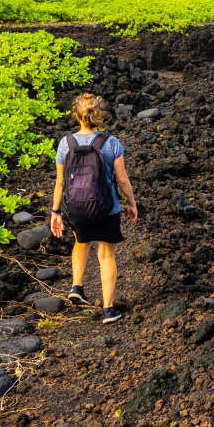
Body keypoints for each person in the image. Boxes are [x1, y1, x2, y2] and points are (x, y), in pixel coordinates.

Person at [50, 94, 137, 324]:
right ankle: (108, 310)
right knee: (106, 255)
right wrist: (132, 203)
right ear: (99, 116)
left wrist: (55, 212)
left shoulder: (65, 143)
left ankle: (77, 286)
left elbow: (60, 183)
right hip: (107, 209)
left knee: (81, 243)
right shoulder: (111, 143)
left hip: (76, 208)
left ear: (77, 116)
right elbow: (123, 180)